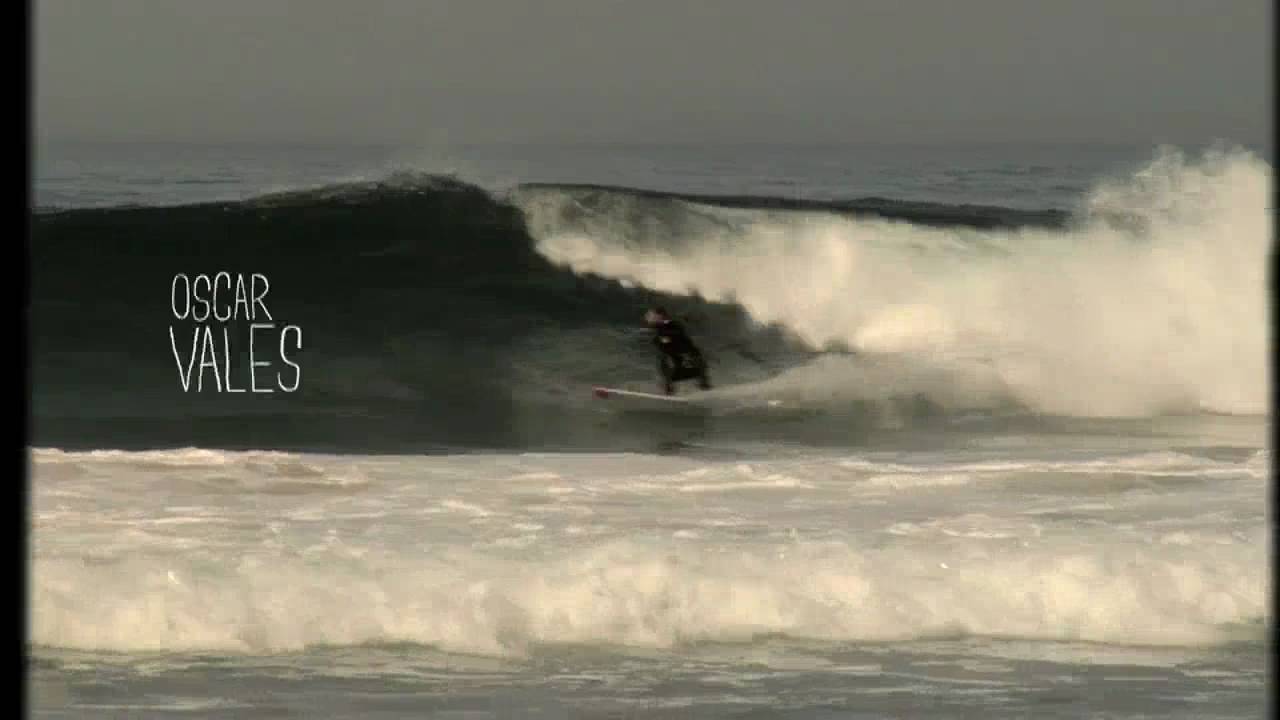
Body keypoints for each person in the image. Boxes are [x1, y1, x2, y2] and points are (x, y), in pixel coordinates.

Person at [645, 307, 711, 395]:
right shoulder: (657, 329)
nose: (649, 318)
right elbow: (660, 343)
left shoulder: (672, 324)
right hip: (677, 361)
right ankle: (669, 392)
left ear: (660, 316)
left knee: (699, 373)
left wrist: (664, 337)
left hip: (690, 359)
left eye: (652, 315)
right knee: (662, 361)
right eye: (649, 316)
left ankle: (706, 390)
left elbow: (677, 335)